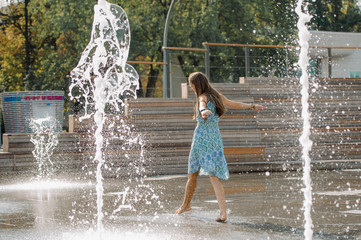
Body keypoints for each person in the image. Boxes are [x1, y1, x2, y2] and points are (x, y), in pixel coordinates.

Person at [175, 72, 264, 222]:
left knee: (192, 173)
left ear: (196, 85)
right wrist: (252, 105)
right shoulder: (216, 95)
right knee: (213, 176)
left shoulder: (202, 96)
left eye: (191, 86)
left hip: (202, 140)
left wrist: (203, 111)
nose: (191, 89)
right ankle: (221, 212)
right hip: (215, 139)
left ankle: (186, 204)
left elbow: (202, 104)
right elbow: (234, 104)